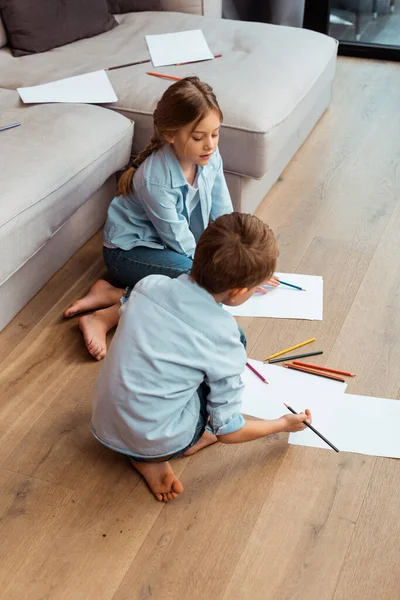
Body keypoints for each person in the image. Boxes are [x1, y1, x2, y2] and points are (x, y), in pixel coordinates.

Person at [91, 212, 311, 503]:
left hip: (104, 421)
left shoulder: (148, 285)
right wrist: (283, 424)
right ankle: (162, 450)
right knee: (222, 378)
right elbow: (230, 432)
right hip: (159, 439)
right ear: (239, 292)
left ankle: (141, 454)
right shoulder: (224, 339)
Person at [64, 76, 278, 360]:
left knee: (204, 277)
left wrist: (248, 264)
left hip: (167, 246)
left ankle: (112, 293)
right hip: (129, 253)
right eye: (199, 137)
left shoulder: (210, 158)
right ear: (170, 135)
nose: (210, 145)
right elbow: (178, 239)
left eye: (215, 134)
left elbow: (224, 215)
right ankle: (105, 317)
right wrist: (232, 273)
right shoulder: (155, 180)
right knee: (198, 281)